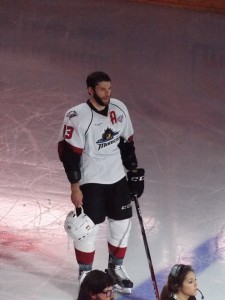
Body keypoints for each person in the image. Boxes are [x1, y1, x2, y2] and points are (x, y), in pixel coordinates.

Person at [58, 71, 144, 294]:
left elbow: (126, 142)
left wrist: (133, 171)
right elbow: (68, 153)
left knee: (122, 223)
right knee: (87, 228)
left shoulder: (119, 108)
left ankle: (115, 268)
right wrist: (74, 186)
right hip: (91, 180)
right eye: (102, 89)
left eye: (109, 88)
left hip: (117, 178)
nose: (107, 93)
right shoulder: (77, 116)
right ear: (90, 90)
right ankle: (85, 272)